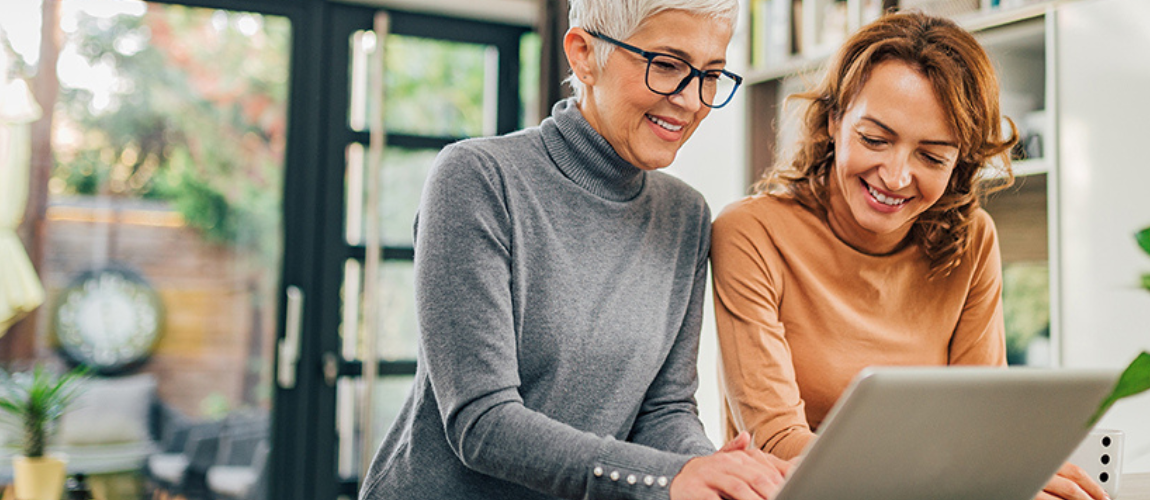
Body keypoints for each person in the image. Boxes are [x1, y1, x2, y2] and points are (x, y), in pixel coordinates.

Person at [360, 1, 790, 499]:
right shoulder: (477, 178)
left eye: (710, 73)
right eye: (667, 65)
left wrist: (715, 471)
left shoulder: (685, 215)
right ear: (584, 54)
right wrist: (668, 479)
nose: (692, 100)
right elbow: (481, 422)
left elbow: (665, 410)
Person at [711, 11, 1109, 500]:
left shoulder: (972, 241)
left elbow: (978, 425)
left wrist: (1011, 471)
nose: (896, 176)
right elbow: (775, 442)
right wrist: (974, 474)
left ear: (959, 162)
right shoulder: (751, 233)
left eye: (932, 156)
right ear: (835, 120)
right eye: (875, 139)